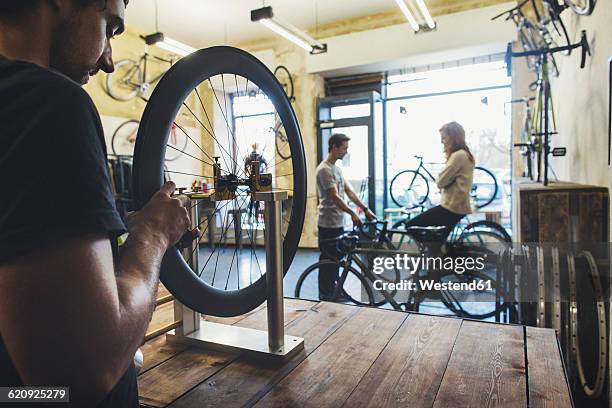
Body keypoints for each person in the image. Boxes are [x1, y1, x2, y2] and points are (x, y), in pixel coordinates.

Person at [0, 1, 191, 406]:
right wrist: (151, 235)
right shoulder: (44, 101)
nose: (108, 60)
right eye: (111, 28)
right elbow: (82, 375)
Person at [316, 133, 375, 300]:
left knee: (336, 258)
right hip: (327, 222)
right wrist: (352, 213)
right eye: (344, 148)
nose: (345, 152)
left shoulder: (337, 169)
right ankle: (325, 293)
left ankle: (335, 289)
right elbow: (334, 197)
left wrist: (365, 209)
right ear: (334, 147)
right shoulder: (324, 170)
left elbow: (349, 192)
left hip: (338, 222)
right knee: (327, 259)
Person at [404, 121, 475, 240]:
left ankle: (435, 255)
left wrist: (442, 177)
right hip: (457, 206)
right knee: (438, 239)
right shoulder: (464, 154)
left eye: (444, 138)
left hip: (452, 206)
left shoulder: (458, 155)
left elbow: (440, 182)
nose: (442, 141)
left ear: (453, 137)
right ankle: (439, 253)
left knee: (410, 226)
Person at [244, 143, 268, 223]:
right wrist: (248, 174)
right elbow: (245, 166)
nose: (254, 157)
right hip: (254, 179)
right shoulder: (255, 157)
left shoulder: (258, 158)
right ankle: (252, 216)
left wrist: (264, 173)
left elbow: (266, 164)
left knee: (256, 199)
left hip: (258, 178)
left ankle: (254, 217)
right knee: (253, 200)